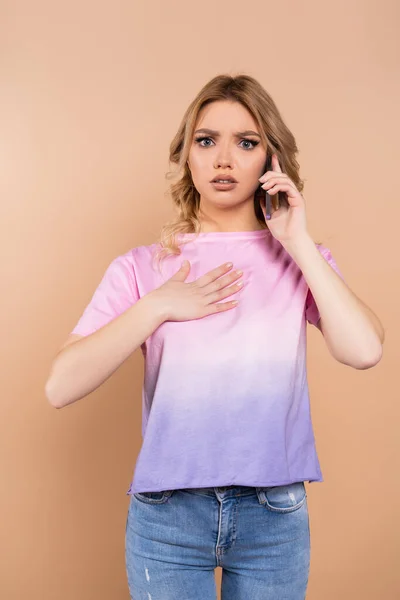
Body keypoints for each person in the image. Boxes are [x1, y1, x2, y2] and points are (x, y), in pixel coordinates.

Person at [45, 74, 384, 599]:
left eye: (246, 143)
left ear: (271, 160)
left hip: (274, 516)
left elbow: (364, 350)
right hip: (168, 519)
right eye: (207, 141)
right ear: (187, 155)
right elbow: (59, 387)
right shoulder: (143, 268)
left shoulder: (300, 261)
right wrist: (156, 306)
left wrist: (297, 241)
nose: (224, 159)